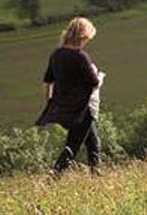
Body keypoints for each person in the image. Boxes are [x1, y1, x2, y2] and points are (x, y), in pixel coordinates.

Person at [36, 17, 104, 175]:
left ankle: (96, 174)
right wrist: (100, 77)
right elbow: (94, 83)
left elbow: (48, 81)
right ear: (82, 37)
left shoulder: (56, 55)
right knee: (73, 144)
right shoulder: (80, 57)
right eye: (87, 39)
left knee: (93, 142)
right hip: (82, 106)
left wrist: (51, 102)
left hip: (65, 106)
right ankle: (55, 173)